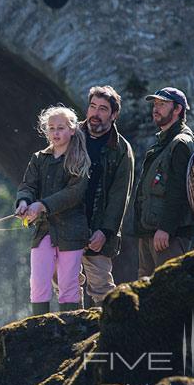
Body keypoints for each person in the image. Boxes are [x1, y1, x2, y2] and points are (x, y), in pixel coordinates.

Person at [16, 106, 90, 315]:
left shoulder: (80, 159)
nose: (56, 133)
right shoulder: (39, 158)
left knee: (68, 286)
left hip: (72, 232)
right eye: (51, 128)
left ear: (72, 130)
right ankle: (39, 329)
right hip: (43, 231)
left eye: (61, 128)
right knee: (38, 283)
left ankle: (71, 331)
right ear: (46, 131)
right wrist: (23, 201)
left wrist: (43, 205)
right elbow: (28, 186)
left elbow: (74, 193)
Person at [134, 87, 194, 277]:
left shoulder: (180, 143)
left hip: (167, 234)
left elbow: (179, 191)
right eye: (155, 104)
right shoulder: (165, 141)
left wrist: (166, 228)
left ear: (178, 109)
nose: (156, 108)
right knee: (145, 292)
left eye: (162, 104)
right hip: (151, 231)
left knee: (168, 287)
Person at [79, 86, 134, 307]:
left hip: (99, 230)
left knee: (101, 286)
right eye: (93, 107)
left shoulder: (121, 149)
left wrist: (105, 230)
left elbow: (120, 195)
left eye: (103, 109)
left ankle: (107, 337)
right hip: (69, 225)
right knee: (65, 284)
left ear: (113, 115)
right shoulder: (72, 136)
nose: (96, 113)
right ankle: (71, 336)